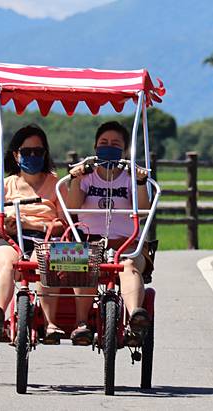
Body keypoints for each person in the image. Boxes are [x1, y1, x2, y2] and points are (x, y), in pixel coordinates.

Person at [66, 121, 153, 346]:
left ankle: (135, 316)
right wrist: (75, 179)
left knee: (128, 266)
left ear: (124, 151)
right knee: (84, 263)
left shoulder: (131, 177)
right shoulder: (87, 176)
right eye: (103, 143)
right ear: (95, 147)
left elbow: (142, 211)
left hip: (126, 245)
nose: (108, 147)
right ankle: (82, 323)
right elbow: (73, 207)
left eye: (115, 144)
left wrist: (141, 182)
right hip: (89, 242)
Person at [0, 124, 66, 343]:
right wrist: (1, 229)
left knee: (45, 260)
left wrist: (41, 226)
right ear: (17, 156)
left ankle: (51, 323)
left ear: (45, 154)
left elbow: (65, 224)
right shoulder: (6, 185)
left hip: (44, 238)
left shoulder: (56, 185)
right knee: (8, 262)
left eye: (38, 151)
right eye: (27, 152)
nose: (33, 156)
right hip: (9, 239)